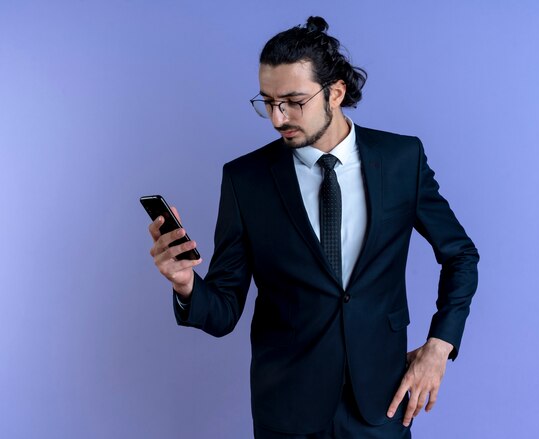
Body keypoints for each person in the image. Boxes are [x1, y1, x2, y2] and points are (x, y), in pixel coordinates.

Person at [148, 16, 479, 439]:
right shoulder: (245, 180)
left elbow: (461, 256)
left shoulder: (401, 159)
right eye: (267, 102)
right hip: (287, 411)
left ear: (335, 92)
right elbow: (223, 312)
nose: (277, 117)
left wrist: (439, 346)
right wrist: (185, 285)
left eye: (293, 101)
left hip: (382, 403)